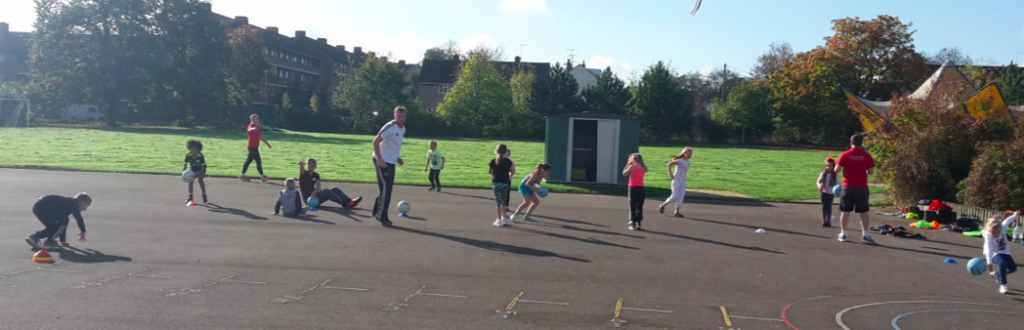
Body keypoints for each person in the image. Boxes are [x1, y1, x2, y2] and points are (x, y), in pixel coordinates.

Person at [836, 134, 876, 244]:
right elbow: (871, 172)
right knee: (863, 212)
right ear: (861, 143)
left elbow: (837, 170)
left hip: (848, 187)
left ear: (851, 142)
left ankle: (843, 233)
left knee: (845, 211)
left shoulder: (845, 155)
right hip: (862, 187)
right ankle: (865, 235)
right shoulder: (867, 156)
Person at [371, 106, 407, 227]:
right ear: (394, 116)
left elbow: (392, 145)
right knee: (386, 189)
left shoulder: (402, 129)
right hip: (381, 160)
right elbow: (375, 142)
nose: (401, 119)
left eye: (403, 116)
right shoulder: (390, 127)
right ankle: (381, 216)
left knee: (385, 188)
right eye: (399, 116)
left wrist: (397, 158)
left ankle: (377, 210)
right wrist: (380, 160)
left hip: (391, 161)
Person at [25, 193, 92, 251]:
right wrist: (83, 231)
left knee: (54, 227)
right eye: (86, 206)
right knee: (64, 220)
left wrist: (63, 240)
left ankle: (34, 237)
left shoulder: (69, 204)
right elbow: (78, 218)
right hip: (44, 206)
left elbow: (62, 226)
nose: (85, 209)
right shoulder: (74, 203)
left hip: (38, 206)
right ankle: (49, 242)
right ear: (81, 202)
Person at [983, 211, 1021, 294]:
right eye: (993, 232)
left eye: (998, 232)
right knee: (1002, 262)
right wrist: (990, 270)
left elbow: (1008, 220)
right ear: (989, 230)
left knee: (1013, 268)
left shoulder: (1003, 227)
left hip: (1004, 251)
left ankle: (998, 274)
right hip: (994, 253)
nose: (996, 234)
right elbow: (989, 252)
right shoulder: (988, 238)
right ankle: (1003, 285)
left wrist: (1015, 214)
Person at [659, 147, 692, 218]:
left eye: (690, 154)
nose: (689, 155)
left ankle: (677, 211)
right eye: (688, 153)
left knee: (681, 197)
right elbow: (669, 164)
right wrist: (671, 174)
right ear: (684, 153)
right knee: (675, 195)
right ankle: (663, 204)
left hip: (683, 181)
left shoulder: (689, 163)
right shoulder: (679, 161)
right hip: (676, 180)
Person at [240, 114, 272, 183]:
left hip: (254, 147)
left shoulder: (258, 128)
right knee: (258, 161)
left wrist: (267, 144)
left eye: (256, 119)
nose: (255, 120)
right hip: (252, 147)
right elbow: (249, 130)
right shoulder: (250, 126)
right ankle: (263, 176)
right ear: (251, 120)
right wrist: (253, 128)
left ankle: (242, 175)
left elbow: (260, 137)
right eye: (253, 119)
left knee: (248, 161)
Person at [488, 144, 514, 227]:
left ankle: (498, 219)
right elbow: (512, 171)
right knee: (503, 201)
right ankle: (504, 218)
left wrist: (495, 174)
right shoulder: (508, 162)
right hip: (505, 183)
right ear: (505, 151)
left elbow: (489, 171)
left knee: (498, 202)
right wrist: (509, 175)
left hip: (497, 183)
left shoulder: (493, 161)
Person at [623, 153, 648, 231]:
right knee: (639, 206)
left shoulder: (632, 167)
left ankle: (633, 222)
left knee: (632, 205)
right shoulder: (643, 167)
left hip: (633, 187)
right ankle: (639, 222)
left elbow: (624, 173)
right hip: (641, 187)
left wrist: (628, 165)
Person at [816, 157, 839, 227]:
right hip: (824, 192)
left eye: (830, 166)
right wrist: (820, 186)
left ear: (833, 167)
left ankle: (828, 221)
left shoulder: (835, 175)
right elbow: (818, 181)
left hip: (831, 193)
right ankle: (824, 221)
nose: (828, 168)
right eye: (827, 166)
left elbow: (838, 183)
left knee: (829, 207)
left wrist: (836, 188)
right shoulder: (823, 174)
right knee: (824, 207)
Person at [184, 139, 208, 204]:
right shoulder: (188, 155)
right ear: (190, 148)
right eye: (192, 148)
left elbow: (203, 166)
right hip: (193, 169)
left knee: (200, 179)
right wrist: (184, 172)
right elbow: (185, 164)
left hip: (201, 168)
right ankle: (190, 197)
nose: (194, 150)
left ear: (198, 149)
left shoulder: (200, 155)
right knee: (190, 180)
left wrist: (199, 172)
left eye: (195, 148)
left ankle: (204, 195)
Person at [504, 149, 516, 219]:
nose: (506, 155)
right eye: (505, 154)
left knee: (507, 192)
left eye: (507, 154)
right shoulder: (500, 161)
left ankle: (506, 206)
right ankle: (501, 205)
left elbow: (513, 170)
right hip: (501, 179)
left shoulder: (510, 162)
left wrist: (510, 174)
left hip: (508, 179)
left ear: (509, 155)